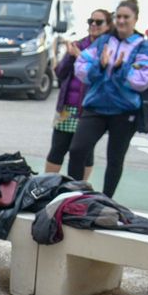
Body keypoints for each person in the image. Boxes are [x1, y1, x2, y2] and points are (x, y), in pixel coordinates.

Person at [66, 0, 148, 196]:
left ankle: (107, 198)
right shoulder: (103, 41)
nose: (122, 21)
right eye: (118, 17)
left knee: (115, 158)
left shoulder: (143, 46)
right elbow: (81, 68)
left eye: (126, 17)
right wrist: (100, 66)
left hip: (124, 111)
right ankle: (72, 194)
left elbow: (142, 80)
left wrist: (120, 69)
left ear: (136, 19)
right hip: (96, 106)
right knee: (77, 149)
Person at [45, 9, 110, 175]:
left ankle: (79, 189)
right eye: (91, 21)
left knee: (85, 151)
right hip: (67, 107)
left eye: (99, 22)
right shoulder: (78, 44)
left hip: (90, 109)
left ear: (108, 25)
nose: (94, 25)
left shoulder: (109, 48)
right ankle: (48, 185)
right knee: (57, 148)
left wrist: (80, 56)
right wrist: (70, 56)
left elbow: (102, 73)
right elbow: (60, 73)